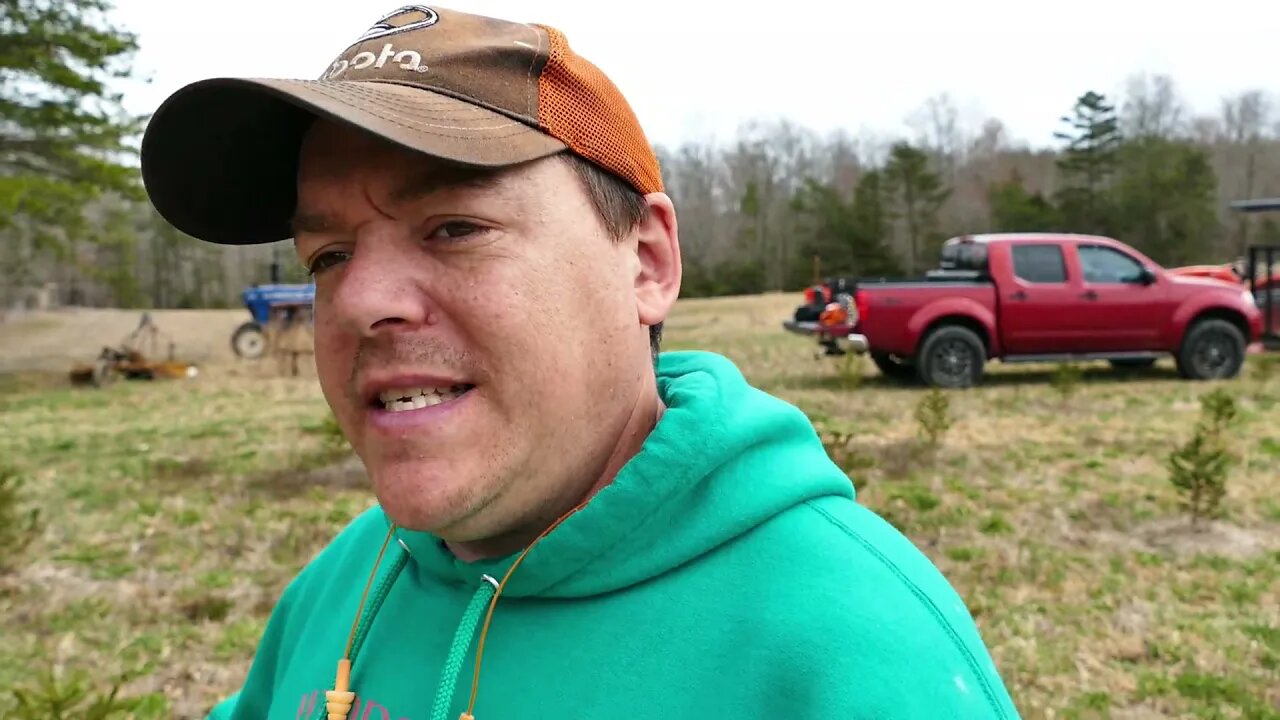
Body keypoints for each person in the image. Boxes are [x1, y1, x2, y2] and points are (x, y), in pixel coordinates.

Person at [140, 5, 1022, 719]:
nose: (361, 301)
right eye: (327, 256)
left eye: (454, 228)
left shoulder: (849, 655)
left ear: (646, 262)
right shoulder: (347, 581)